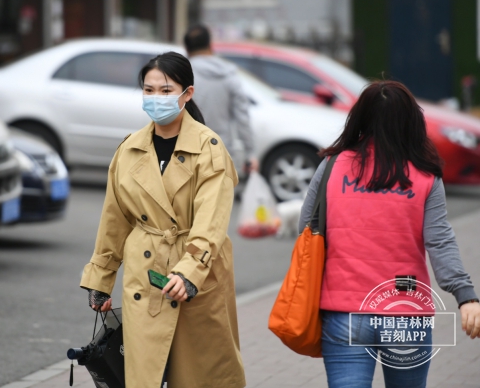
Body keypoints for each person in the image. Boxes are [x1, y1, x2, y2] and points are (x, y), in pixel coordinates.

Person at [79, 51, 246, 388]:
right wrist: (101, 277)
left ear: (188, 94)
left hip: (196, 278)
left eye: (166, 90)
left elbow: (211, 221)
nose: (156, 98)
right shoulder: (129, 149)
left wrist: (190, 272)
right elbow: (116, 217)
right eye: (149, 90)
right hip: (146, 274)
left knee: (201, 376)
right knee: (144, 376)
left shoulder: (209, 148)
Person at [298, 81, 480, 388]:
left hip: (344, 314)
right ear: (411, 121)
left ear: (359, 118)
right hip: (405, 314)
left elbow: (307, 228)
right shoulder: (426, 175)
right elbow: (439, 241)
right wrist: (466, 297)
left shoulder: (332, 166)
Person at [184, 24, 259, 173]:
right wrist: (250, 153)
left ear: (187, 49)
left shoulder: (180, 76)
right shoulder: (228, 75)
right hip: (220, 151)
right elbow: (242, 117)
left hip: (186, 152)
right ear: (211, 45)